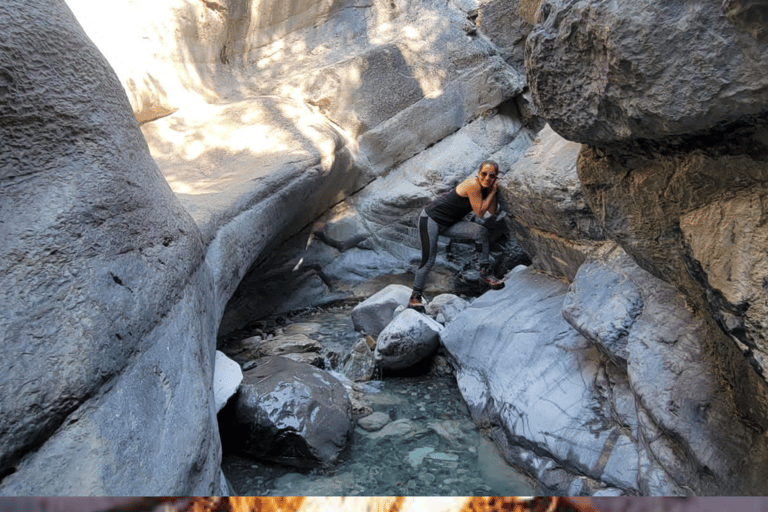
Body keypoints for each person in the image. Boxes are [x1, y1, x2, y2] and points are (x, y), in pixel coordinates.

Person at [409, 160, 505, 310]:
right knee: (429, 259)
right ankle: (415, 297)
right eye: (484, 174)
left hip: (448, 224)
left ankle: (486, 273)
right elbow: (480, 212)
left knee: (480, 232)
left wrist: (492, 191)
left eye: (491, 176)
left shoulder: (487, 188)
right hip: (430, 220)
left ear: (496, 177)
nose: (487, 178)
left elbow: (492, 211)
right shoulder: (473, 184)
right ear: (478, 174)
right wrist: (493, 191)